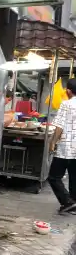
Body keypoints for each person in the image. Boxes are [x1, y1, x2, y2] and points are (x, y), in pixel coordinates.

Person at [48, 78, 76, 214]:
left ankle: (67, 201)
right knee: (74, 176)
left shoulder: (66, 104)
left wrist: (52, 141)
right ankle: (73, 204)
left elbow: (59, 126)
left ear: (69, 91)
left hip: (66, 147)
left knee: (54, 176)